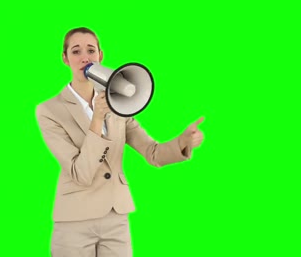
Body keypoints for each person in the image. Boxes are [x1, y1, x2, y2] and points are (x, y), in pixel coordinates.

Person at [36, 27, 204, 257]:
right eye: (76, 51)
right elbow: (80, 173)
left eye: (91, 50)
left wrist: (183, 141)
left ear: (100, 56)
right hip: (74, 221)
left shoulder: (119, 104)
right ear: (65, 58)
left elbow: (153, 153)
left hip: (116, 217)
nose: (85, 56)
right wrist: (97, 120)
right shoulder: (49, 110)